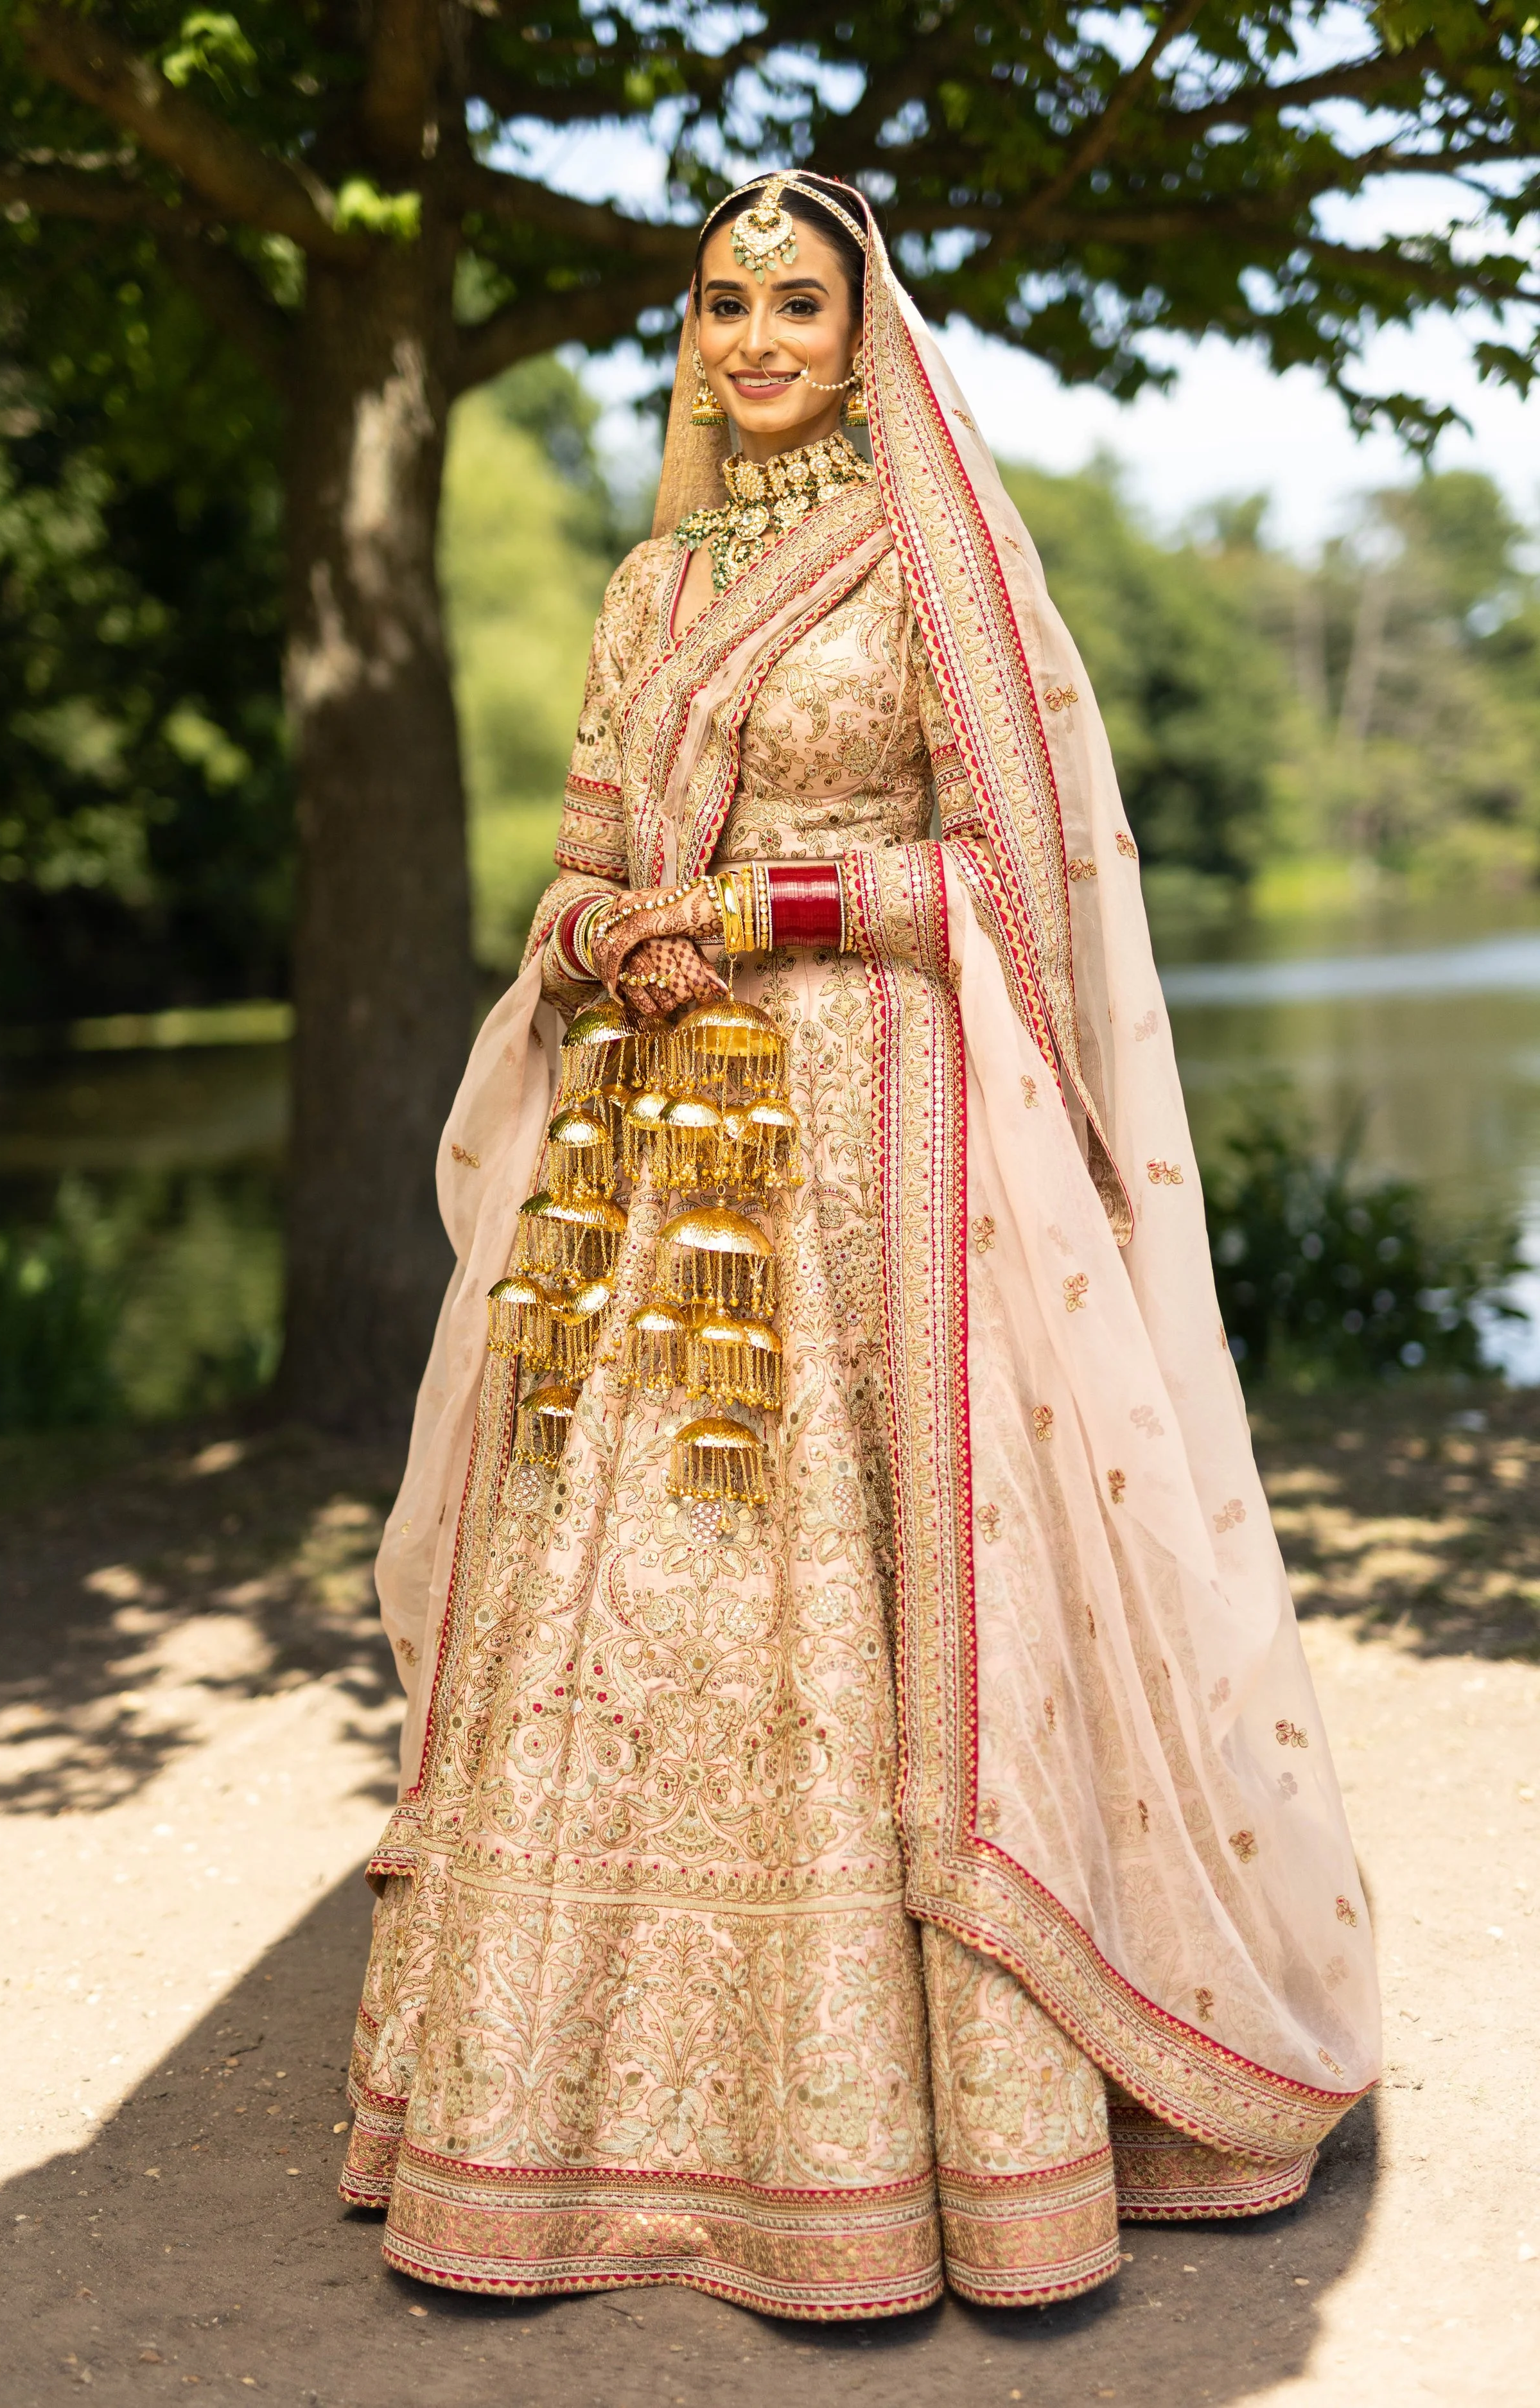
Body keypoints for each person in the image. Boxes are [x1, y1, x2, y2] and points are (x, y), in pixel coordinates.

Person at [338, 171, 1380, 2319]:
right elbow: (583, 859)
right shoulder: (649, 586)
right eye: (720, 303)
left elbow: (1008, 883)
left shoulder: (933, 563)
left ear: (860, 329)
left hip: (881, 1143)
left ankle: (941, 2141)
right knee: (633, 1597)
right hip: (659, 1140)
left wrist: (754, 907)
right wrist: (607, 935)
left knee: (872, 1596)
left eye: (794, 302)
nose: (752, 338)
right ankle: (568, 2128)